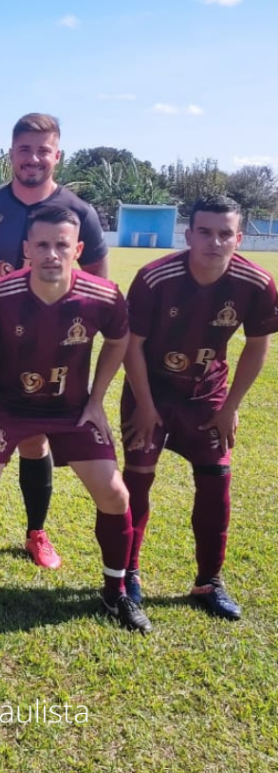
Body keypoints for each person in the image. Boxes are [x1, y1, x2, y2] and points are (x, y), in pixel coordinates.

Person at [0, 205, 150, 636]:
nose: (51, 254)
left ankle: (114, 591)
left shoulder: (102, 295)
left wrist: (96, 400)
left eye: (61, 245)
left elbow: (118, 341)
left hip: (70, 410)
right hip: (6, 407)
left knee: (116, 495)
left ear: (77, 249)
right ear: (26, 249)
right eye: (41, 244)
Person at [0, 113, 110, 570]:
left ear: (57, 155)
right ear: (11, 153)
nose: (33, 158)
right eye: (24, 149)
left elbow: (98, 285)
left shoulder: (80, 212)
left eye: (43, 150)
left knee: (35, 441)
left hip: (53, 352)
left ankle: (35, 532)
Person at [121, 195, 277, 620]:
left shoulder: (257, 283)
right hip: (149, 392)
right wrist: (146, 407)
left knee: (215, 484)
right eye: (204, 232)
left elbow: (257, 347)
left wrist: (230, 406)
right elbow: (131, 347)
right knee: (136, 484)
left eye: (225, 234)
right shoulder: (155, 278)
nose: (214, 242)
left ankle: (208, 581)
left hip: (207, 398)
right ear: (188, 235)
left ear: (239, 237)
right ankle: (128, 575)